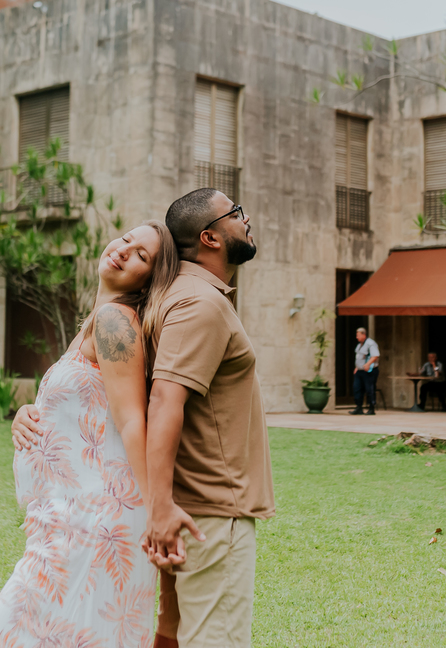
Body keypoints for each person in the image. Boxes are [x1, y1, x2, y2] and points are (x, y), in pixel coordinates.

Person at [0, 221, 181, 648]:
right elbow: (86, 405)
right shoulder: (95, 323)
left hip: (96, 522)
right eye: (127, 238)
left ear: (148, 280)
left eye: (142, 255)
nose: (125, 250)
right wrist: (28, 414)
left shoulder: (114, 322)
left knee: (2, 635)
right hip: (68, 518)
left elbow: (131, 422)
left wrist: (156, 511)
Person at [144, 188, 274, 648]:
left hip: (192, 508)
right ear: (210, 237)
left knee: (173, 636)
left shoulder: (179, 296)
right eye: (236, 213)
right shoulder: (200, 303)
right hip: (211, 513)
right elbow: (165, 400)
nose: (247, 219)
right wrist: (160, 507)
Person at [351, 326, 379, 415]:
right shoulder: (359, 345)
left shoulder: (370, 344)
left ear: (364, 335)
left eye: (358, 335)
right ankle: (359, 407)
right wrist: (357, 367)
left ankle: (371, 408)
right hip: (360, 371)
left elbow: (375, 356)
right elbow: (359, 357)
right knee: (357, 388)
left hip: (369, 371)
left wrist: (368, 364)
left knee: (369, 389)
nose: (357, 337)